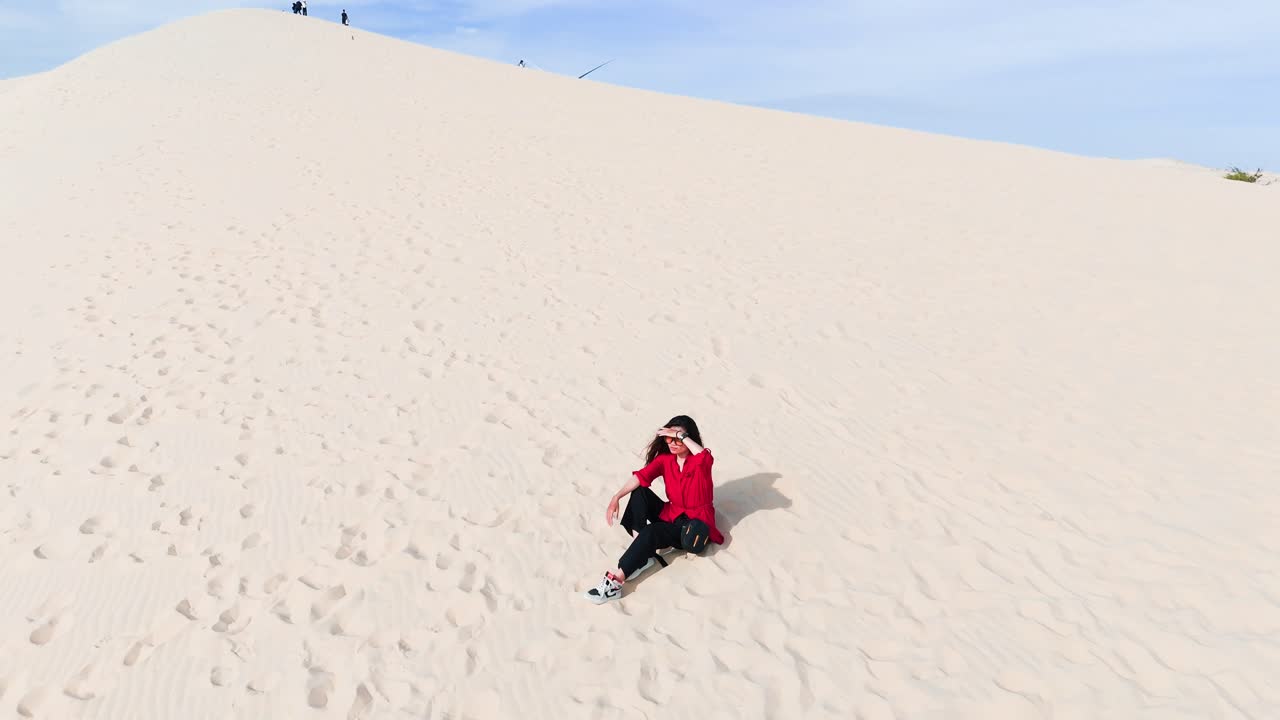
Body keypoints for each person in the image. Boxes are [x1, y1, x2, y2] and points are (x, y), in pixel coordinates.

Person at [583, 415, 724, 604]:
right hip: (672, 513)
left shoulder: (700, 463)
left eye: (677, 438)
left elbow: (706, 456)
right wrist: (616, 497)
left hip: (692, 527)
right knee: (639, 491)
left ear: (688, 438)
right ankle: (642, 554)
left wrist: (681, 436)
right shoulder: (666, 460)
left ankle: (615, 582)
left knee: (653, 531)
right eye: (668, 438)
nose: (672, 443)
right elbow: (640, 477)